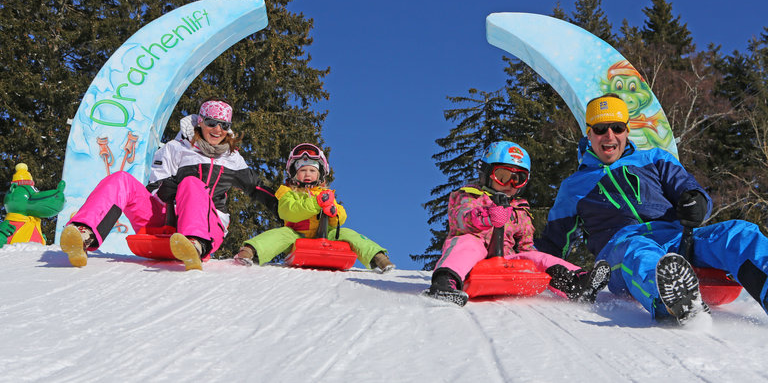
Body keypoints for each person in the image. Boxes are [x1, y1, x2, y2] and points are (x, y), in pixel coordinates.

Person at [537, 93, 768, 324]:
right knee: (638, 250)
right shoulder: (573, 187)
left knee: (739, 232)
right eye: (600, 129)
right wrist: (548, 270)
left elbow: (688, 188)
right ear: (589, 134)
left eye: (617, 128)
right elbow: (552, 246)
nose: (610, 136)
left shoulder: (655, 159)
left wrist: (696, 201)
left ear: (626, 131)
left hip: (677, 239)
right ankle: (674, 305)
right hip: (620, 251)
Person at [60, 98, 277, 271]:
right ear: (200, 122)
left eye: (223, 125)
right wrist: (167, 188)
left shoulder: (232, 158)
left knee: (192, 183)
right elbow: (154, 186)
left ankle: (196, 243)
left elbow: (256, 188)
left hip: (208, 225)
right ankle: (84, 233)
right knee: (121, 180)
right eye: (211, 123)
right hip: (164, 217)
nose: (217, 129)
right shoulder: (176, 148)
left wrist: (285, 208)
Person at [424, 141, 611, 307]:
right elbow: (460, 220)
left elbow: (525, 245)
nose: (511, 184)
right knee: (466, 244)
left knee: (538, 258)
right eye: (503, 176)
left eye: (518, 179)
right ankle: (445, 282)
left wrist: (532, 258)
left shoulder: (519, 209)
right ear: (487, 173)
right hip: (474, 263)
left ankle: (577, 283)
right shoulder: (470, 195)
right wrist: (487, 216)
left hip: (504, 261)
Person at [233, 143, 395, 273]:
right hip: (297, 235)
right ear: (294, 174)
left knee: (348, 233)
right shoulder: (288, 192)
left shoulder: (326, 193)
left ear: (320, 174)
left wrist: (333, 212)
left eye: (312, 170)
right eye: (303, 170)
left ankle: (377, 257)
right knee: (280, 234)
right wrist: (316, 203)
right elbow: (288, 211)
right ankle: (250, 251)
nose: (308, 174)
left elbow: (341, 218)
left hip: (324, 236)